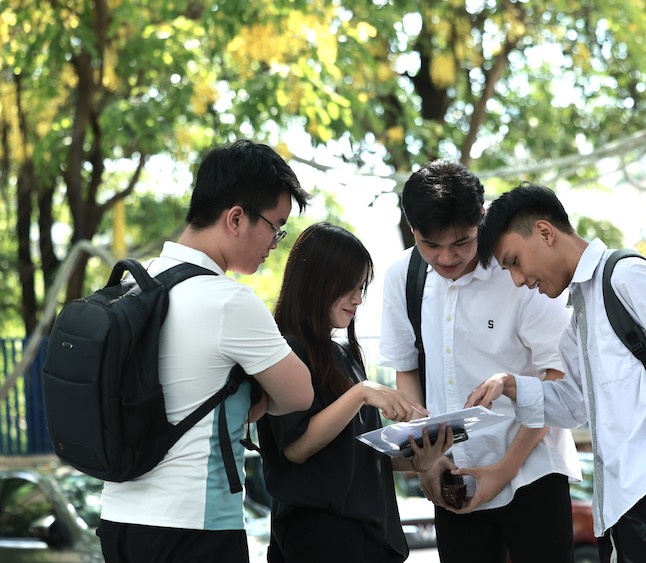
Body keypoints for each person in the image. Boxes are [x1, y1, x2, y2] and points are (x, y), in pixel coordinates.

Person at [468, 182, 646, 562]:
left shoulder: (626, 277)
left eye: (514, 261)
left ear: (545, 232)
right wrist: (510, 385)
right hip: (619, 507)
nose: (519, 280)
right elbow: (576, 405)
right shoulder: (580, 312)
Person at [97, 140, 315, 563]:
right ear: (236, 218)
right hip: (194, 528)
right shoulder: (227, 301)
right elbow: (300, 394)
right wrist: (255, 397)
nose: (276, 240)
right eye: (276, 225)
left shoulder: (129, 290)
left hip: (118, 521)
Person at [378, 160, 581, 563]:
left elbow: (556, 375)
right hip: (451, 478)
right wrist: (427, 461)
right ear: (412, 228)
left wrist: (504, 470)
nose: (447, 257)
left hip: (531, 473)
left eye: (462, 242)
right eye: (431, 245)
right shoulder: (404, 276)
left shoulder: (519, 270)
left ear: (481, 219)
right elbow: (407, 369)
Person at [258, 222, 447, 563]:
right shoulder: (286, 353)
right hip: (323, 533)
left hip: (369, 533)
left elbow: (360, 455)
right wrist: (361, 393)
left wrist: (419, 459)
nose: (358, 299)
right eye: (349, 286)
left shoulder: (342, 356)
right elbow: (297, 448)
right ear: (317, 281)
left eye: (362, 287)